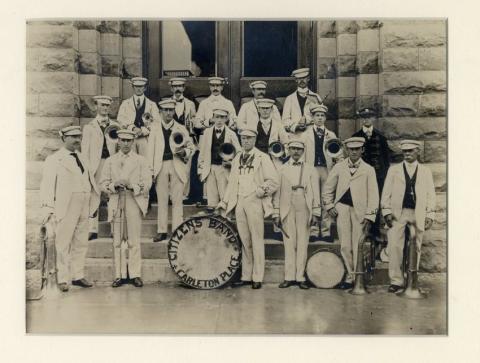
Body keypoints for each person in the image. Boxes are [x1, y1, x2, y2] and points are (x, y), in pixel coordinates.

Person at [217, 128, 279, 289]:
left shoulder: (263, 157)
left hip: (254, 200)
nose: (246, 141)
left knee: (256, 239)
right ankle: (246, 276)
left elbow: (274, 181)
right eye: (243, 138)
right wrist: (224, 202)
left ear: (255, 140)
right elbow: (232, 183)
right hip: (240, 201)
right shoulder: (237, 158)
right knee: (244, 240)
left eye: (249, 138)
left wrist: (261, 190)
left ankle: (257, 277)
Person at [39, 125, 98, 292]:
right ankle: (63, 278)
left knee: (81, 241)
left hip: (84, 203)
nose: (77, 140)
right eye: (73, 137)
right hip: (67, 204)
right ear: (63, 138)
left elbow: (88, 180)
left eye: (79, 136)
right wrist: (48, 208)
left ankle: (78, 275)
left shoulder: (82, 158)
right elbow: (47, 185)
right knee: (63, 242)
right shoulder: (54, 159)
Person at [323, 137, 379, 289]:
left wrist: (370, 215)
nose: (354, 152)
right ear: (347, 150)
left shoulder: (369, 170)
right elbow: (328, 189)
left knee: (358, 245)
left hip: (360, 211)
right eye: (351, 149)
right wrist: (329, 206)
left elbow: (374, 195)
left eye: (357, 149)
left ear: (362, 150)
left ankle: (358, 276)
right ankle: (350, 277)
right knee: (345, 245)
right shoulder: (339, 167)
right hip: (342, 210)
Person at [381, 140, 436, 293]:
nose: (408, 154)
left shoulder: (425, 171)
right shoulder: (394, 170)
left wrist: (430, 214)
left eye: (411, 151)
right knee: (394, 245)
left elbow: (431, 194)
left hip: (417, 212)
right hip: (398, 213)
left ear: (417, 151)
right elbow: (386, 193)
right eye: (405, 151)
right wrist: (386, 212)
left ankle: (412, 277)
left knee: (416, 245)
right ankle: (396, 280)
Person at [100, 129, 152, 288]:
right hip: (116, 200)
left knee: (134, 239)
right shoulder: (110, 161)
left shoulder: (141, 160)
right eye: (122, 140)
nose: (125, 143)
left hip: (133, 200)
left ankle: (135, 274)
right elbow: (102, 183)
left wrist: (133, 186)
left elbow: (148, 183)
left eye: (129, 141)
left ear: (134, 141)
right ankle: (119, 274)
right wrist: (112, 185)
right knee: (117, 240)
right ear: (118, 141)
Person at [272, 139, 321, 289]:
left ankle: (300, 277)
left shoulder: (310, 169)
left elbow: (315, 192)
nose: (296, 152)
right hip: (287, 206)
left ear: (303, 151)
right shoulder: (281, 169)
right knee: (289, 242)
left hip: (304, 205)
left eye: (299, 149)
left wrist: (316, 212)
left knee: (302, 242)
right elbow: (277, 194)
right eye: (293, 149)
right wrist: (276, 213)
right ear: (288, 150)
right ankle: (289, 276)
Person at [147, 99, 195, 242]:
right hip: (160, 166)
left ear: (174, 111)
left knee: (177, 200)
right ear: (160, 112)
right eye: (165, 110)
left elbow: (191, 147)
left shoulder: (181, 128)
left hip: (177, 165)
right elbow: (151, 151)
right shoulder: (154, 129)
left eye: (171, 110)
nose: (168, 113)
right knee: (162, 200)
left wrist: (184, 153)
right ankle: (161, 231)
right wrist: (151, 171)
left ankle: (177, 230)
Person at [298, 104, 338, 242]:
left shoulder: (331, 135)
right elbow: (301, 154)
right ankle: (313, 231)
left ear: (325, 118)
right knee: (313, 198)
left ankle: (326, 231)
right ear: (313, 118)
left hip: (326, 170)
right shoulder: (305, 135)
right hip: (312, 169)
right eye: (317, 115)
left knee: (326, 198)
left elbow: (337, 154)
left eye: (322, 116)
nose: (320, 118)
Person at [81, 95, 119, 240]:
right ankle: (92, 229)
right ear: (96, 106)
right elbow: (85, 150)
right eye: (102, 105)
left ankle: (114, 229)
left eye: (107, 106)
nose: (105, 108)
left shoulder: (115, 125)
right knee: (94, 196)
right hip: (96, 165)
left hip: (110, 163)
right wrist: (86, 169)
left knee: (112, 195)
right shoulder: (89, 127)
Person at [352, 108, 391, 247]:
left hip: (378, 177)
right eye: (364, 117)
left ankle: (374, 232)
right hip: (361, 176)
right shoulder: (356, 136)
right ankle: (362, 231)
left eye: (369, 117)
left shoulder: (381, 137)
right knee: (361, 201)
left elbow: (386, 160)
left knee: (375, 203)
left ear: (373, 118)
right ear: (361, 119)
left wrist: (384, 176)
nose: (367, 119)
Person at [167, 77, 203, 205]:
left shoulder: (190, 104)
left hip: (186, 138)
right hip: (171, 139)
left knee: (186, 168)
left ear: (183, 88)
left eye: (180, 86)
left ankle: (184, 196)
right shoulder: (166, 103)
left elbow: (194, 120)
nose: (178, 89)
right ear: (171, 88)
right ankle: (171, 196)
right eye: (175, 86)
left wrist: (191, 125)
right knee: (171, 167)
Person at [198, 107, 241, 207]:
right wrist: (200, 171)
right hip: (210, 169)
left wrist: (231, 163)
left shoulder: (231, 134)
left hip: (224, 169)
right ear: (212, 118)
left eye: (222, 117)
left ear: (226, 119)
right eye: (217, 117)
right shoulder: (207, 133)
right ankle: (214, 221)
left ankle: (225, 221)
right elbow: (202, 153)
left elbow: (239, 152)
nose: (219, 120)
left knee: (225, 197)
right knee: (212, 200)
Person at [116, 77, 161, 156]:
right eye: (136, 86)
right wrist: (132, 128)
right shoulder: (125, 104)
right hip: (129, 139)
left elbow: (156, 123)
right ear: (133, 87)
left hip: (145, 139)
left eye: (141, 86)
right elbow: (120, 120)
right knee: (130, 163)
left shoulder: (152, 105)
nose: (138, 89)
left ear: (145, 88)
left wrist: (143, 130)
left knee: (145, 163)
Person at [251, 98, 289, 170]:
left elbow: (286, 143)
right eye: (262, 108)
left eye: (267, 108)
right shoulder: (252, 125)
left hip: (274, 161)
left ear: (271, 109)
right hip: (257, 161)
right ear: (258, 109)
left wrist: (281, 153)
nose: (265, 110)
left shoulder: (278, 125)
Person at [282, 68, 323, 133]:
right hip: (295, 136)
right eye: (299, 78)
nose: (302, 80)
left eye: (304, 78)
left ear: (308, 79)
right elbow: (285, 120)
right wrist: (296, 126)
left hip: (312, 134)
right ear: (296, 80)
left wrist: (307, 120)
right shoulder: (289, 99)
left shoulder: (316, 97)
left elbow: (321, 117)